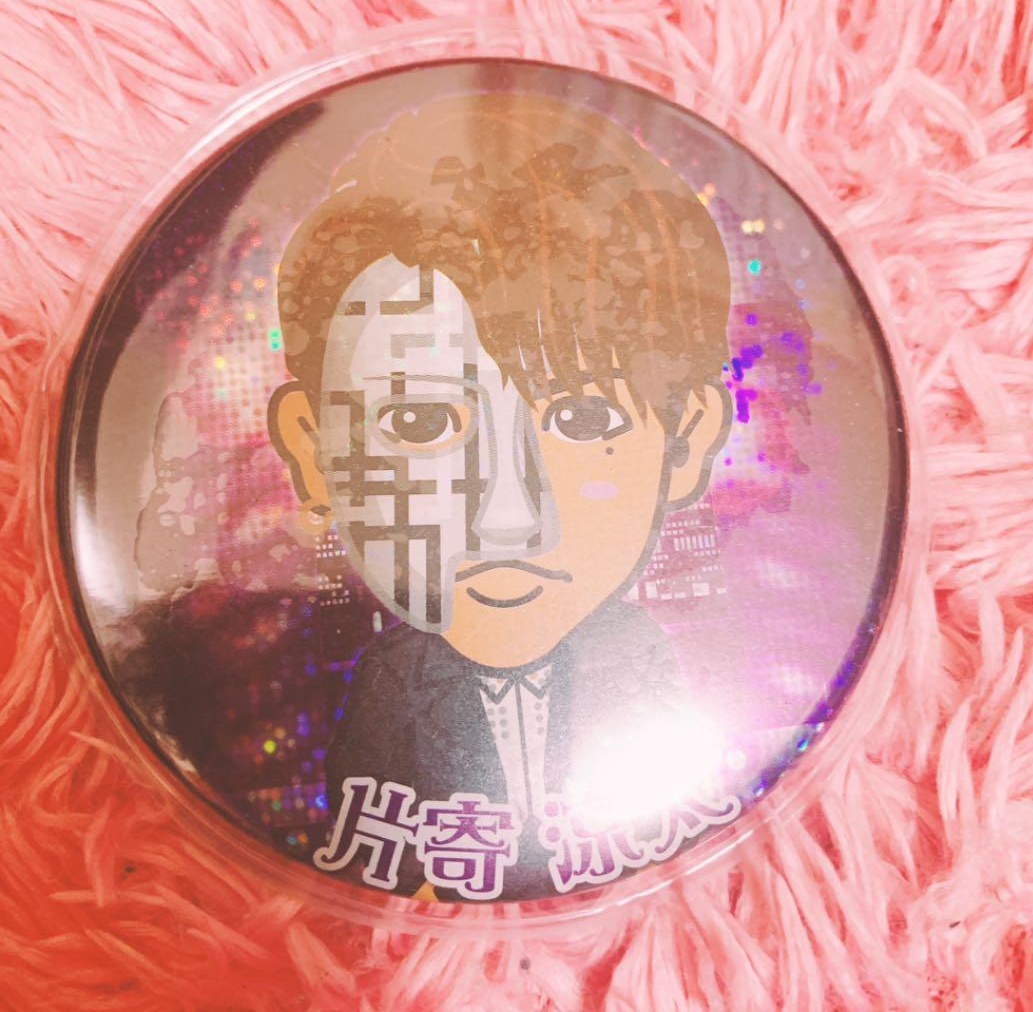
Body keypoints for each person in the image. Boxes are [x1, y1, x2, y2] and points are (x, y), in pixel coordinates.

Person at [269, 91, 733, 899]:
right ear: (313, 454)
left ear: (686, 439)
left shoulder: (644, 661)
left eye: (582, 419)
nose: (509, 519)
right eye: (419, 422)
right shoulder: (389, 687)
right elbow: (355, 844)